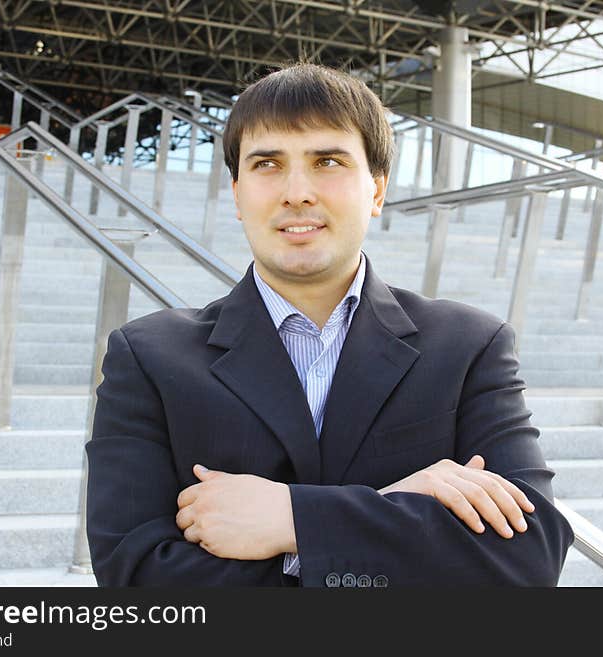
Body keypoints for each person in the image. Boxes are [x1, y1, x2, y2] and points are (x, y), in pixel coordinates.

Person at [85, 63, 574, 587]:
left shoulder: (469, 345)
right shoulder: (149, 357)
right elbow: (133, 576)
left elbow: (530, 554)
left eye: (328, 161)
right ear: (236, 193)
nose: (297, 191)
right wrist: (395, 508)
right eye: (267, 164)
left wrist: (292, 519)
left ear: (378, 190)